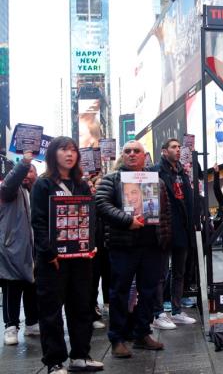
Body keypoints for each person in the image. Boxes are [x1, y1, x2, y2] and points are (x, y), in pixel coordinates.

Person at [30, 137, 103, 373]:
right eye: (63, 150)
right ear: (54, 154)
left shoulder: (81, 185)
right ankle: (54, 361)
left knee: (82, 307)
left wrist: (90, 245)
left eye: (73, 150)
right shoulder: (43, 185)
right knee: (51, 312)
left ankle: (80, 356)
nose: (69, 154)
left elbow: (89, 219)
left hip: (81, 259)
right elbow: (38, 222)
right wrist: (49, 252)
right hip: (53, 261)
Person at [96, 141, 171, 358]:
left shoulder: (156, 181)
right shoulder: (111, 179)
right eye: (127, 151)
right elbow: (101, 203)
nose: (131, 154)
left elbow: (165, 213)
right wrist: (126, 220)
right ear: (122, 155)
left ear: (144, 156)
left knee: (149, 292)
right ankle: (117, 337)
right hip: (123, 246)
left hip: (151, 246)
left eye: (136, 151)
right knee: (119, 292)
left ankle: (142, 333)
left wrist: (165, 240)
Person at [151, 139, 196, 330]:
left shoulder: (182, 172)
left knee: (179, 272)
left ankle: (176, 311)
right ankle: (158, 313)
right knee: (160, 272)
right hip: (164, 227)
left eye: (179, 147)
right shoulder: (155, 171)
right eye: (173, 147)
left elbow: (189, 199)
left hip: (183, 227)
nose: (178, 150)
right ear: (164, 151)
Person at [0, 151, 39, 345]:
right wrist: (25, 162)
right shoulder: (11, 190)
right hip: (12, 248)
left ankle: (32, 323)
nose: (27, 174)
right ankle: (11, 326)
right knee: (12, 287)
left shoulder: (36, 192)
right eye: (25, 170)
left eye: (31, 170)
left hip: (32, 250)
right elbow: (10, 182)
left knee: (32, 285)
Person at [89, 175, 109, 330]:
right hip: (93, 247)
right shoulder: (90, 203)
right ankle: (93, 309)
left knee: (108, 276)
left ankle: (107, 303)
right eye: (96, 185)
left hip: (106, 246)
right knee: (93, 280)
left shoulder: (106, 202)